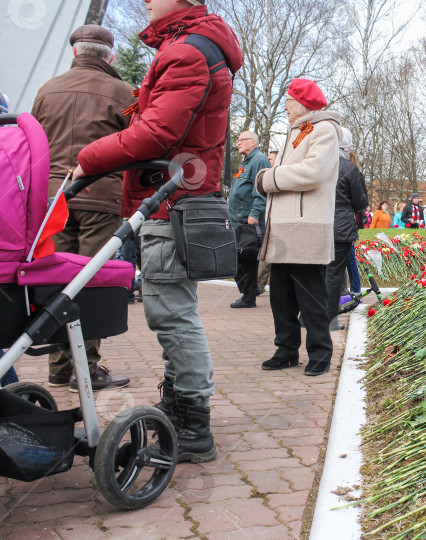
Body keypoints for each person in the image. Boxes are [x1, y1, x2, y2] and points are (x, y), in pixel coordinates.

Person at [74, 0, 244, 463]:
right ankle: (180, 404)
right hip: (174, 195)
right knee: (171, 310)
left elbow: (156, 132)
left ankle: (193, 423)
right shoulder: (191, 46)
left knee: (171, 313)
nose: (145, 1)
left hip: (171, 198)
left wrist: (87, 158)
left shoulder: (188, 51)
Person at [31, 24, 134, 392]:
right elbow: (137, 143)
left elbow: (34, 144)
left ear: (75, 53)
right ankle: (84, 370)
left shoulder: (47, 89)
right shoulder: (123, 92)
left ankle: (59, 368)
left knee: (57, 281)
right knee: (90, 281)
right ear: (110, 56)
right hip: (100, 195)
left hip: (54, 197)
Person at [255, 78, 340, 377]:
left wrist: (269, 178)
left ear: (303, 103)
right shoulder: (299, 130)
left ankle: (320, 353)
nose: (286, 106)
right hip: (284, 226)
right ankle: (286, 350)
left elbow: (314, 172)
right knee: (281, 295)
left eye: (289, 100)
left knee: (311, 296)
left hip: (306, 225)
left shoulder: (324, 129)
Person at [326, 127, 368, 330]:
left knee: (317, 273)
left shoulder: (318, 164)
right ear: (347, 147)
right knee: (334, 274)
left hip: (318, 223)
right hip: (340, 227)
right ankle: (330, 319)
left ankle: (307, 317)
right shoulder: (349, 169)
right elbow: (360, 202)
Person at [229, 131, 269, 308]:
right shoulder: (247, 161)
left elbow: (260, 190)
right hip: (237, 218)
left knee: (246, 258)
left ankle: (249, 296)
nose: (238, 143)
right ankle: (249, 293)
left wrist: (254, 214)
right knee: (239, 258)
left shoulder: (259, 160)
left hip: (247, 219)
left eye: (241, 140)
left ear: (253, 142)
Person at [256, 150, 279, 295]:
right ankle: (257, 285)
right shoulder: (269, 177)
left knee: (268, 255)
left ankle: (257, 286)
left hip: (275, 224)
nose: (268, 161)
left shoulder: (278, 178)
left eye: (271, 159)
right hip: (268, 222)